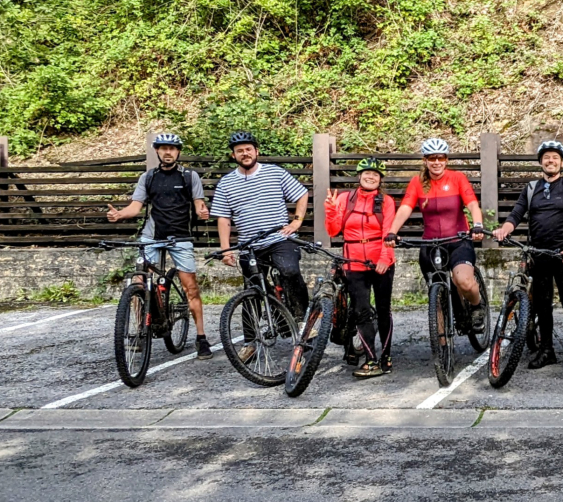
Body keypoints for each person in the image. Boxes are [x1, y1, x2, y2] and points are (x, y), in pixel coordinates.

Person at [105, 133, 213, 358]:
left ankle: (201, 337)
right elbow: (135, 208)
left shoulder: (189, 177)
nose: (168, 152)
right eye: (163, 148)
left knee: (190, 288)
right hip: (151, 236)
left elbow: (200, 206)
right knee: (138, 282)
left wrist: (203, 213)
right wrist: (119, 215)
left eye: (172, 149)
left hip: (181, 237)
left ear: (178, 152)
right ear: (157, 151)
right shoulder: (148, 177)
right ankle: (139, 331)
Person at [210, 131, 311, 362]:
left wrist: (297, 221)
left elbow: (302, 193)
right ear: (233, 155)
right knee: (251, 292)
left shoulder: (275, 173)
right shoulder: (226, 183)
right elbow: (223, 218)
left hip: (279, 239)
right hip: (249, 246)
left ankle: (304, 322)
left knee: (290, 271)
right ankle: (251, 342)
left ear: (256, 151)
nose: (244, 153)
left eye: (248, 149)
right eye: (239, 151)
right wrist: (226, 250)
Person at [492, 140, 563, 369]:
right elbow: (516, 213)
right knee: (543, 305)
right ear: (541, 162)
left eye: (555, 157)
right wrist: (505, 228)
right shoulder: (531, 188)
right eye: (546, 157)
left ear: (562, 163)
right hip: (539, 254)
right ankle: (547, 350)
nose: (550, 161)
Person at [384, 138, 488, 333]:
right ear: (425, 161)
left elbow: (472, 204)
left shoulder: (457, 178)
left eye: (440, 158)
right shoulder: (417, 182)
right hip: (431, 242)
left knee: (463, 281)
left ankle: (476, 306)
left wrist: (478, 225)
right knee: (437, 293)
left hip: (458, 240)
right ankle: (441, 348)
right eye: (432, 158)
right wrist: (392, 232)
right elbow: (405, 208)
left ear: (446, 160)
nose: (437, 162)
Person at [324, 157, 397, 378]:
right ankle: (371, 360)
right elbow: (333, 231)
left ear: (380, 179)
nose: (371, 176)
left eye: (375, 174)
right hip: (353, 260)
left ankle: (386, 356)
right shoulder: (346, 198)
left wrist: (386, 257)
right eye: (367, 173)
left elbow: (389, 231)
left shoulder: (386, 201)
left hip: (380, 259)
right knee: (361, 310)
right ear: (359, 176)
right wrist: (331, 211)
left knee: (383, 310)